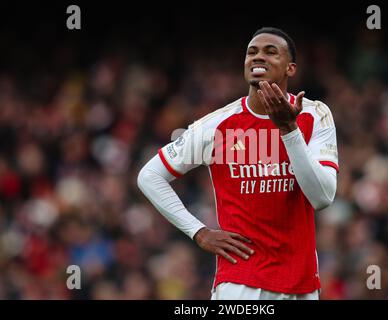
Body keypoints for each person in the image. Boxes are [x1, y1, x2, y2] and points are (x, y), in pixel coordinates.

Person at [137, 27, 339, 300]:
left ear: (290, 69)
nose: (258, 58)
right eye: (252, 52)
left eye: (270, 52)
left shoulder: (314, 115)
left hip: (301, 283)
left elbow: (322, 197)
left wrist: (289, 130)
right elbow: (149, 176)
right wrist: (198, 232)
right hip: (240, 282)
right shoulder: (216, 126)